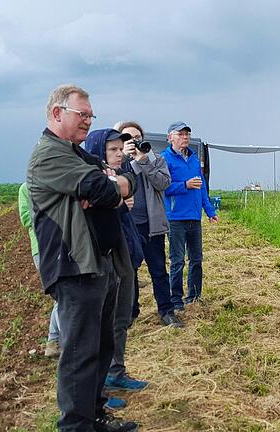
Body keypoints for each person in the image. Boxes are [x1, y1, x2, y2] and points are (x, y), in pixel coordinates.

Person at [26, 84, 138, 432]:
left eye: (91, 115)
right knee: (80, 353)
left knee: (102, 346)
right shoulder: (49, 155)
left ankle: (95, 415)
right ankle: (76, 426)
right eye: (82, 114)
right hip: (74, 266)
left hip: (98, 263)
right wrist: (108, 186)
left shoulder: (76, 154)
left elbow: (127, 180)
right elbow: (104, 188)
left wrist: (111, 185)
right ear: (57, 113)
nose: (88, 121)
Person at [83, 129, 150, 395]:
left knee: (120, 321)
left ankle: (116, 372)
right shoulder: (91, 179)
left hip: (124, 260)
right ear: (99, 151)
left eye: (120, 149)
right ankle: (99, 389)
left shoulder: (121, 177)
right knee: (102, 326)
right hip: (102, 262)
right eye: (112, 150)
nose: (119, 154)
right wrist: (120, 201)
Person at [115, 120, 181, 328]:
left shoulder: (156, 159)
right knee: (129, 271)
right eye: (127, 138)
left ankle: (166, 311)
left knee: (159, 270)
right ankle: (130, 313)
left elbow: (163, 183)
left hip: (152, 225)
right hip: (128, 225)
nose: (133, 141)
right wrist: (124, 158)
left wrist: (143, 160)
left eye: (136, 137)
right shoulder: (116, 162)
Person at [161, 121, 219, 312]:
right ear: (170, 137)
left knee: (196, 259)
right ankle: (176, 300)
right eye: (180, 134)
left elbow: (201, 187)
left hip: (194, 217)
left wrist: (209, 211)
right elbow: (163, 187)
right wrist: (184, 185)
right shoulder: (164, 159)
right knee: (177, 260)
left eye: (187, 134)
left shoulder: (194, 160)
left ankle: (194, 297)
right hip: (176, 217)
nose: (185, 137)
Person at [18, 182, 61, 358]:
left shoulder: (56, 183)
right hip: (42, 248)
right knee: (61, 294)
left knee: (62, 295)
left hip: (61, 245)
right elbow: (25, 218)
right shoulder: (25, 188)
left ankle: (53, 341)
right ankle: (59, 341)